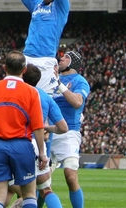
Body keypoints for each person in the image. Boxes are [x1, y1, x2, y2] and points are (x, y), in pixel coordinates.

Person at [0, 50, 48, 208]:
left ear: (4, 68)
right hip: (22, 146)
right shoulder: (31, 92)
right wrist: (42, 153)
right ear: (24, 70)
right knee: (29, 194)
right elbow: (38, 126)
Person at [19, 63, 68, 208]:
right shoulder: (45, 97)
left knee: (1, 191)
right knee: (45, 189)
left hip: (11, 143)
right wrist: (47, 128)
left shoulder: (15, 92)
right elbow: (63, 128)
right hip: (36, 146)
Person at [50, 50, 90, 208]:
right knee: (41, 180)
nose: (61, 58)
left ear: (74, 62)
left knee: (70, 176)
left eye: (66, 57)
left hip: (69, 133)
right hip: (48, 132)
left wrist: (59, 84)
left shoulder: (80, 81)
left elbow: (77, 102)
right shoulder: (50, 79)